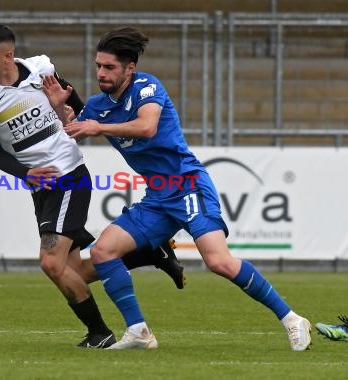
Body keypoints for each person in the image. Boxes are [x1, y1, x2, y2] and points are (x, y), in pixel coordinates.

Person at [43, 26, 312, 351]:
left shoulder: (146, 86)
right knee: (103, 251)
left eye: (109, 67)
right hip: (158, 196)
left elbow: (147, 126)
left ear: (130, 68)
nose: (101, 73)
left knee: (219, 262)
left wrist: (99, 126)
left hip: (188, 187)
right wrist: (59, 107)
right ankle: (139, 331)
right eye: (98, 65)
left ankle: (292, 319)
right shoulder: (100, 105)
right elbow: (72, 131)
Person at [0, 23, 184, 348]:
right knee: (75, 272)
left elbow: (78, 110)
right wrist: (26, 174)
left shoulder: (41, 70)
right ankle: (148, 253)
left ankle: (100, 333)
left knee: (51, 262)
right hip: (40, 186)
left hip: (68, 176)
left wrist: (69, 112)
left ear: (7, 56)